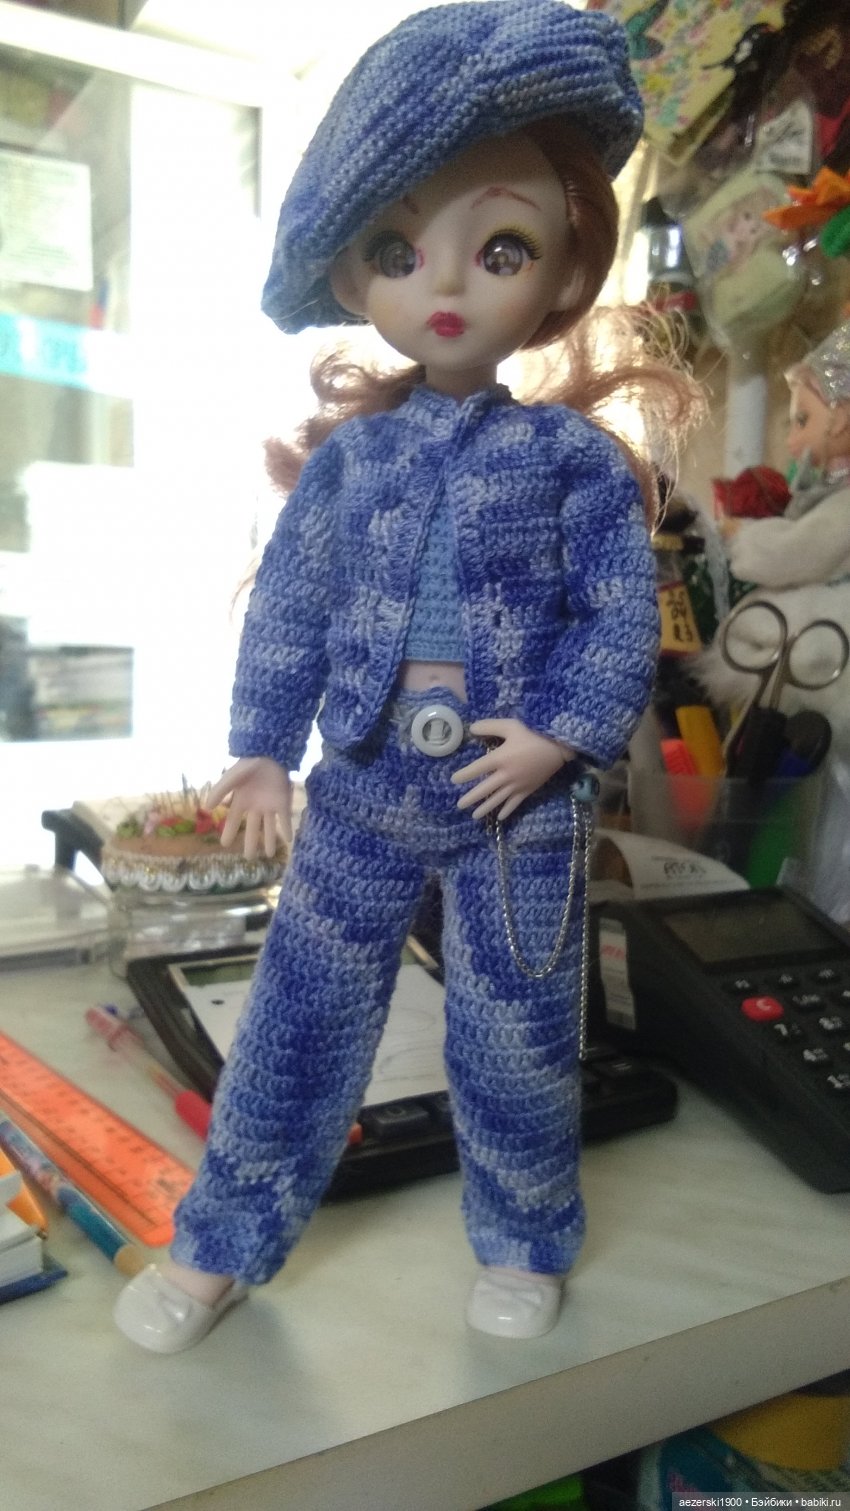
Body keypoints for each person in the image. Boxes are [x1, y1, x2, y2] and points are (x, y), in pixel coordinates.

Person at [115, 0, 695, 1353]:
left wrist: (559, 734)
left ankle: (524, 1231)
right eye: (396, 248)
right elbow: (292, 609)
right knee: (296, 1024)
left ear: (564, 266)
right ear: (351, 274)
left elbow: (620, 613)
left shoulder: (569, 462)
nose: (446, 287)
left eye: (501, 248)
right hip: (365, 786)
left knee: (516, 1033)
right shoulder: (351, 464)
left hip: (514, 802)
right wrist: (262, 747)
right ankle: (218, 1242)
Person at [702, 318, 850, 740]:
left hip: (824, 646)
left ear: (841, 418)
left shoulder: (843, 504)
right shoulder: (829, 493)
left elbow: (800, 552)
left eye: (802, 420)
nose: (791, 442)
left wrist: (743, 538)